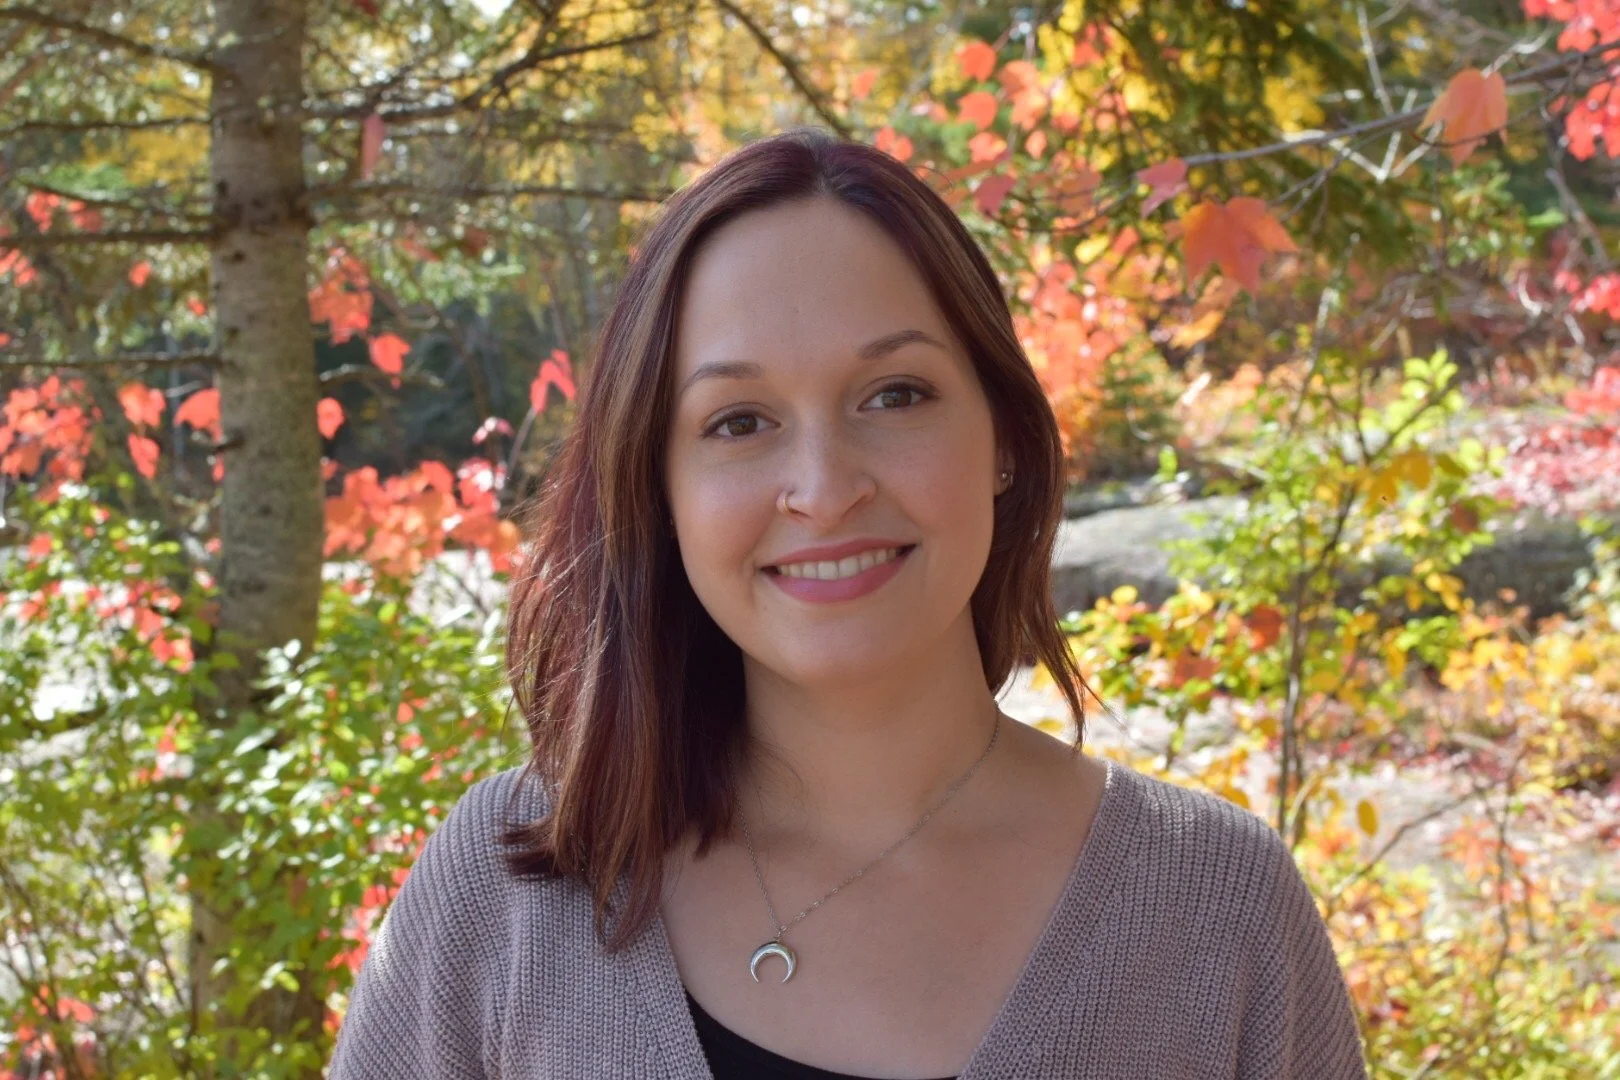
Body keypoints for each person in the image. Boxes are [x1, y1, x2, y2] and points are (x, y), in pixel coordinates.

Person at [328, 127, 1369, 1079]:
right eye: (738, 422)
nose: (824, 490)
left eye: (895, 395)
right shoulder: (515, 888)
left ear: (1004, 436)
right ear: (658, 484)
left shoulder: (1220, 914)